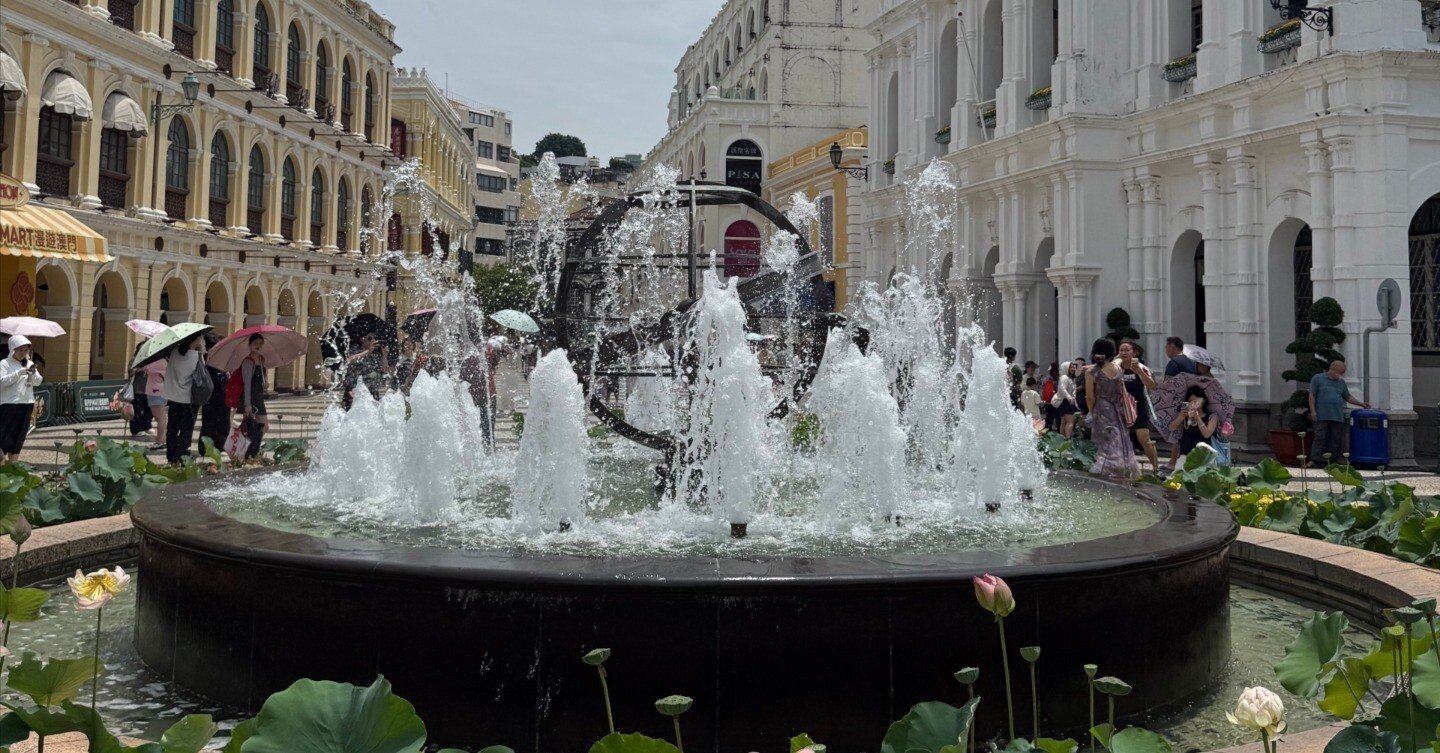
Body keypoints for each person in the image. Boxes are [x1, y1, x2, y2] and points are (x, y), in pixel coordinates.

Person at [1084, 339, 1139, 479]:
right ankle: (1121, 470)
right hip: (1116, 409)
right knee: (1118, 439)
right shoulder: (1117, 369)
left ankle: (1104, 470)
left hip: (1101, 409)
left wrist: (1091, 411)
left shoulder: (1091, 372)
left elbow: (1089, 397)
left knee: (1102, 442)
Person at [1309, 360, 1369, 465]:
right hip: (1321, 414)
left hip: (1337, 415)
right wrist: (1313, 411)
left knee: (1336, 439)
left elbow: (1348, 397)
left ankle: (1333, 460)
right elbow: (1312, 395)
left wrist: (1361, 404)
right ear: (1332, 369)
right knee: (1320, 437)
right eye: (1339, 373)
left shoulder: (1341, 383)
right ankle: (1315, 459)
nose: (1340, 376)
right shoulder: (1318, 378)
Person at [1118, 340, 1160, 473]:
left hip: (1138, 404)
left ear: (1135, 353)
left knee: (1144, 438)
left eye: (1127, 350)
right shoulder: (1116, 367)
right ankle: (1123, 470)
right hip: (1121, 405)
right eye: (1121, 350)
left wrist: (1139, 372)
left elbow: (1153, 386)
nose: (1124, 353)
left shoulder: (1142, 368)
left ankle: (1156, 469)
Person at [161, 336, 203, 464]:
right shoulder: (196, 356)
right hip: (187, 399)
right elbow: (202, 376)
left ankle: (171, 456)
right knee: (186, 430)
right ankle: (182, 456)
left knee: (172, 428)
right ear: (195, 339)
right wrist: (201, 353)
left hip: (173, 397)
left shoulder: (174, 353)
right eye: (201, 338)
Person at [0, 336, 42, 462]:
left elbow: (38, 382)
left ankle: (13, 463)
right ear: (13, 349)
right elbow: (2, 381)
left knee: (20, 435)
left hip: (26, 403)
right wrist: (18, 373)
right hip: (9, 404)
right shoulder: (4, 363)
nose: (23, 353)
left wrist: (33, 374)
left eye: (25, 350)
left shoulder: (29, 363)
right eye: (20, 350)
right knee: (5, 435)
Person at [1169, 385, 1220, 466]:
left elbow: (1206, 434)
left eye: (1195, 400)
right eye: (1190, 401)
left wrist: (1198, 418)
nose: (1193, 404)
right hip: (1186, 454)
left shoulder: (1212, 416)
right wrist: (1181, 417)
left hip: (1204, 455)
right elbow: (1171, 428)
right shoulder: (1186, 415)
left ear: (1203, 400)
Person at [199, 333, 231, 454]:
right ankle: (208, 446)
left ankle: (219, 445)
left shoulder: (218, 360)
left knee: (220, 421)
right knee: (211, 422)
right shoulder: (205, 360)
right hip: (212, 395)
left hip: (220, 395)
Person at [239, 333, 268, 460]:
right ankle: (250, 455)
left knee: (260, 428)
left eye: (261, 343)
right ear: (250, 345)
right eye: (255, 343)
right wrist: (247, 404)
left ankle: (251, 454)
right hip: (251, 398)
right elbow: (247, 384)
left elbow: (261, 379)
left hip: (259, 397)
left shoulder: (261, 360)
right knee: (256, 427)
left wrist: (266, 383)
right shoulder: (248, 361)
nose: (258, 346)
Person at [342, 333, 388, 410]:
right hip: (354, 391)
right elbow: (350, 360)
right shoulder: (355, 349)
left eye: (374, 338)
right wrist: (368, 351)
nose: (373, 340)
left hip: (372, 391)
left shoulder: (376, 354)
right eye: (370, 338)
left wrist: (385, 355)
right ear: (362, 339)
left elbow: (384, 369)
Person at [144, 357, 169, 452]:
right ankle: (163, 440)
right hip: (159, 391)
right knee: (162, 418)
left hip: (155, 392)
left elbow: (145, 368)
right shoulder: (164, 360)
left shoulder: (158, 361)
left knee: (160, 418)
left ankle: (159, 441)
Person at [1053, 360, 1080, 438]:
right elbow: (1062, 388)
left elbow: (1072, 391)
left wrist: (1074, 401)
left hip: (1066, 401)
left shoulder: (1069, 378)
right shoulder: (1065, 377)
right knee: (1070, 422)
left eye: (1073, 367)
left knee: (1064, 422)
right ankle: (1068, 439)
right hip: (1066, 401)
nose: (1073, 369)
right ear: (1066, 368)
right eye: (1071, 367)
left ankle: (1063, 439)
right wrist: (1069, 398)